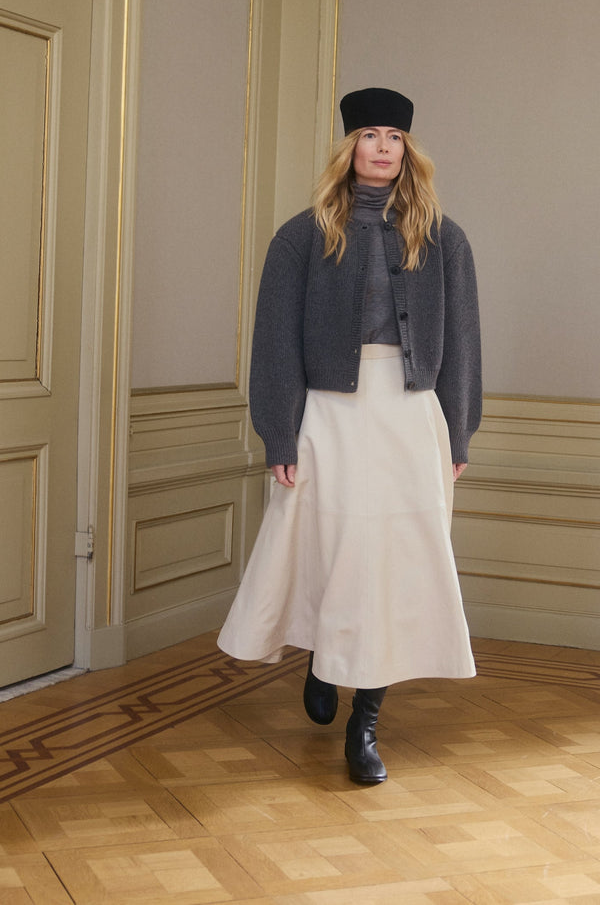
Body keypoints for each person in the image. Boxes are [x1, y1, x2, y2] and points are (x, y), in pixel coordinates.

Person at [218, 87, 482, 785]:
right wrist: (279, 434)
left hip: (408, 414)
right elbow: (274, 341)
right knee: (329, 546)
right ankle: (320, 658)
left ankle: (365, 721)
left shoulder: (444, 238)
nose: (383, 147)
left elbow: (462, 345)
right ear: (350, 148)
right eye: (370, 134)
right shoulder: (301, 236)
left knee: (390, 564)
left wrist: (458, 435)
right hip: (329, 415)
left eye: (394, 136)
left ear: (408, 151)